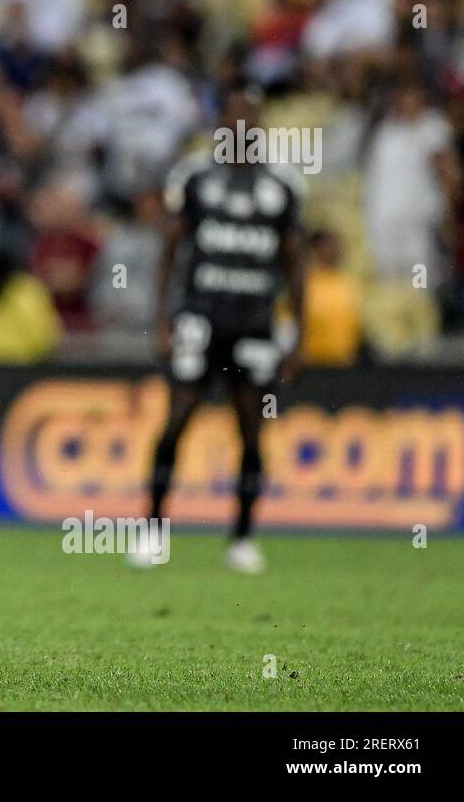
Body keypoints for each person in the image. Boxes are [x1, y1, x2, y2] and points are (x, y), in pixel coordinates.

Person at [132, 85, 306, 574]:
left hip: (254, 324)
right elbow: (171, 252)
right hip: (199, 319)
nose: (242, 126)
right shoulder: (195, 178)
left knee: (250, 432)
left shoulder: (283, 185)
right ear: (220, 124)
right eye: (234, 117)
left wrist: (301, 331)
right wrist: (163, 320)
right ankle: (152, 531)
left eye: (251, 117)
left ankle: (243, 537)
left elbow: (295, 263)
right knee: (176, 423)